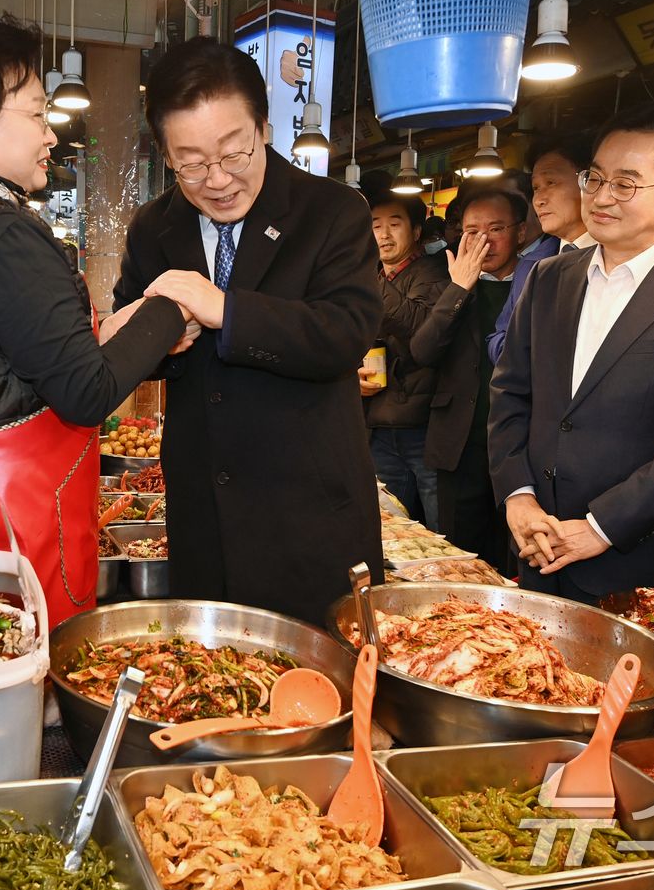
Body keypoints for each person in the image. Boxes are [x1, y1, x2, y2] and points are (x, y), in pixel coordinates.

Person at [0, 12, 189, 626]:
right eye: (35, 113)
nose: (51, 135)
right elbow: (86, 392)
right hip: (3, 518)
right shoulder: (1, 234)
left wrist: (129, 329)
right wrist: (171, 305)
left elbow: (17, 359)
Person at [114, 37, 383, 625]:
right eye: (190, 162)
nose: (215, 179)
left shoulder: (332, 211)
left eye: (233, 152)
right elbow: (133, 337)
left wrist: (222, 309)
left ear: (263, 126)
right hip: (202, 518)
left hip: (311, 518)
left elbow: (345, 332)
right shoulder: (153, 228)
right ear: (165, 153)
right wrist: (146, 339)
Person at [488, 102, 654, 603]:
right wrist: (518, 497)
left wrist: (600, 526)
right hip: (537, 545)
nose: (600, 197)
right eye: (594, 178)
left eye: (626, 184)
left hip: (636, 559)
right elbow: (510, 393)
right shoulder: (549, 277)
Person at [410, 189, 527, 575]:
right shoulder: (443, 283)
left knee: (516, 558)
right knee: (463, 558)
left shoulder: (541, 281)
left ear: (521, 233)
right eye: (471, 231)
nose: (483, 240)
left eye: (496, 228)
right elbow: (423, 351)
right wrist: (460, 287)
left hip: (520, 448)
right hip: (459, 444)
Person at [359, 189, 447, 527]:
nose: (383, 234)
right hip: (379, 422)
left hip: (422, 426)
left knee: (438, 526)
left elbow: (421, 330)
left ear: (416, 231)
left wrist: (367, 282)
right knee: (388, 523)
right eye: (375, 226)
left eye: (394, 224)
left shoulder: (433, 274)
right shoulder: (378, 278)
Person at [486, 131, 597, 363]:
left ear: (590, 181)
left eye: (550, 183)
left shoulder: (617, 258)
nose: (539, 200)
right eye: (536, 188)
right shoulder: (531, 264)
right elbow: (498, 338)